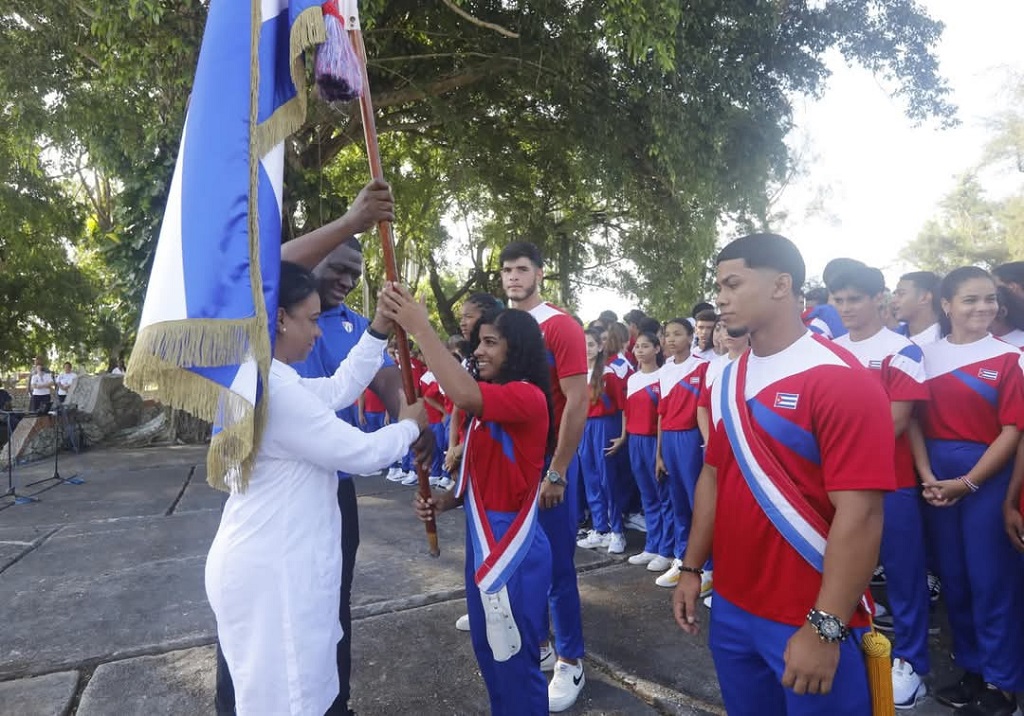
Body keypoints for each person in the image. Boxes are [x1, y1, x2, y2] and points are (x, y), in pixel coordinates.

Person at [214, 178, 421, 716]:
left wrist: (376, 330)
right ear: (278, 316)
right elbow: (360, 452)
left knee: (303, 672)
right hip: (272, 565)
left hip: (284, 553)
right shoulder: (272, 387)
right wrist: (412, 427)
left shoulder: (272, 376)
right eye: (309, 321)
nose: (318, 333)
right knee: (277, 693)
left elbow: (335, 390)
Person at [673, 233, 895, 716]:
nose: (721, 298)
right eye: (718, 286)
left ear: (781, 285)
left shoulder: (842, 379)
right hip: (732, 606)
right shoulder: (728, 377)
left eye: (733, 283)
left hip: (809, 614)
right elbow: (713, 476)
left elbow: (862, 514)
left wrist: (825, 628)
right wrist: (692, 568)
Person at [384, 292, 554, 716]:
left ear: (518, 347)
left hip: (512, 547)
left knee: (514, 661)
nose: (478, 351)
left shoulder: (527, 396)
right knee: (490, 655)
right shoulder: (492, 401)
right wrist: (446, 501)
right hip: (483, 538)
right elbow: (482, 476)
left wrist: (421, 329)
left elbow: (462, 396)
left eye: (490, 342)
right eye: (478, 342)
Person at [910, 266, 1024, 716]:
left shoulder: (1010, 357)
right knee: (955, 581)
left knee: (992, 580)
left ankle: (1002, 683)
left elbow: (1013, 430)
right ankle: (972, 669)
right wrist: (926, 477)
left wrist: (969, 482)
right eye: (971, 299)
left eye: (990, 299)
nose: (984, 308)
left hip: (987, 477)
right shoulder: (922, 355)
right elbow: (913, 422)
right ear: (946, 305)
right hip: (937, 480)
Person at [829, 265, 931, 709]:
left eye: (855, 299)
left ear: (879, 299)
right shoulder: (827, 351)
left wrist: (844, 459)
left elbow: (898, 419)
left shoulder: (901, 351)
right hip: (835, 485)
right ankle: (849, 650)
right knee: (843, 573)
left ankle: (911, 662)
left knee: (904, 577)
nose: (847, 308)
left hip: (891, 483)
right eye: (839, 300)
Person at [498, 241, 588, 712]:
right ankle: (539, 645)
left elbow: (578, 401)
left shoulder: (561, 326)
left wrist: (558, 469)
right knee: (514, 565)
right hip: (507, 466)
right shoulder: (500, 326)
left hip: (546, 470)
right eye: (507, 270)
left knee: (556, 571)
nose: (513, 277)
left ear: (539, 273)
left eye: (521, 269)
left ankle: (570, 659)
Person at [654, 318, 712, 592]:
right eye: (667, 335)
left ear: (691, 337)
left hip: (691, 439)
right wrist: (660, 453)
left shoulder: (702, 366)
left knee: (696, 501)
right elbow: (662, 414)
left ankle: (708, 566)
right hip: (670, 439)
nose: (672, 339)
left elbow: (704, 409)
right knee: (677, 502)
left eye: (678, 334)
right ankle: (681, 557)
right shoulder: (665, 370)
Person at [576, 329, 627, 555]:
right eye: (582, 344)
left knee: (608, 480)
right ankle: (600, 529)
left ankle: (617, 531)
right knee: (591, 480)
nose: (586, 348)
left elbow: (623, 407)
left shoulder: (609, 373)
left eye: (590, 344)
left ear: (599, 347)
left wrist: (623, 435)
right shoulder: (575, 374)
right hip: (583, 427)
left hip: (605, 426)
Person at [624, 331, 673, 572]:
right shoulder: (632, 379)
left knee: (664, 496)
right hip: (635, 441)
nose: (640, 351)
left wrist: (660, 453)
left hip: (655, 441)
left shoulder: (665, 376)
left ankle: (667, 550)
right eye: (637, 347)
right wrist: (624, 437)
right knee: (647, 497)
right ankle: (652, 546)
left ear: (657, 349)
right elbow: (627, 412)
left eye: (645, 346)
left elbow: (663, 416)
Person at [892, 271, 942, 345]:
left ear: (924, 297)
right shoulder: (892, 339)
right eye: (895, 294)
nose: (893, 301)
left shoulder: (952, 339)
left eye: (901, 294)